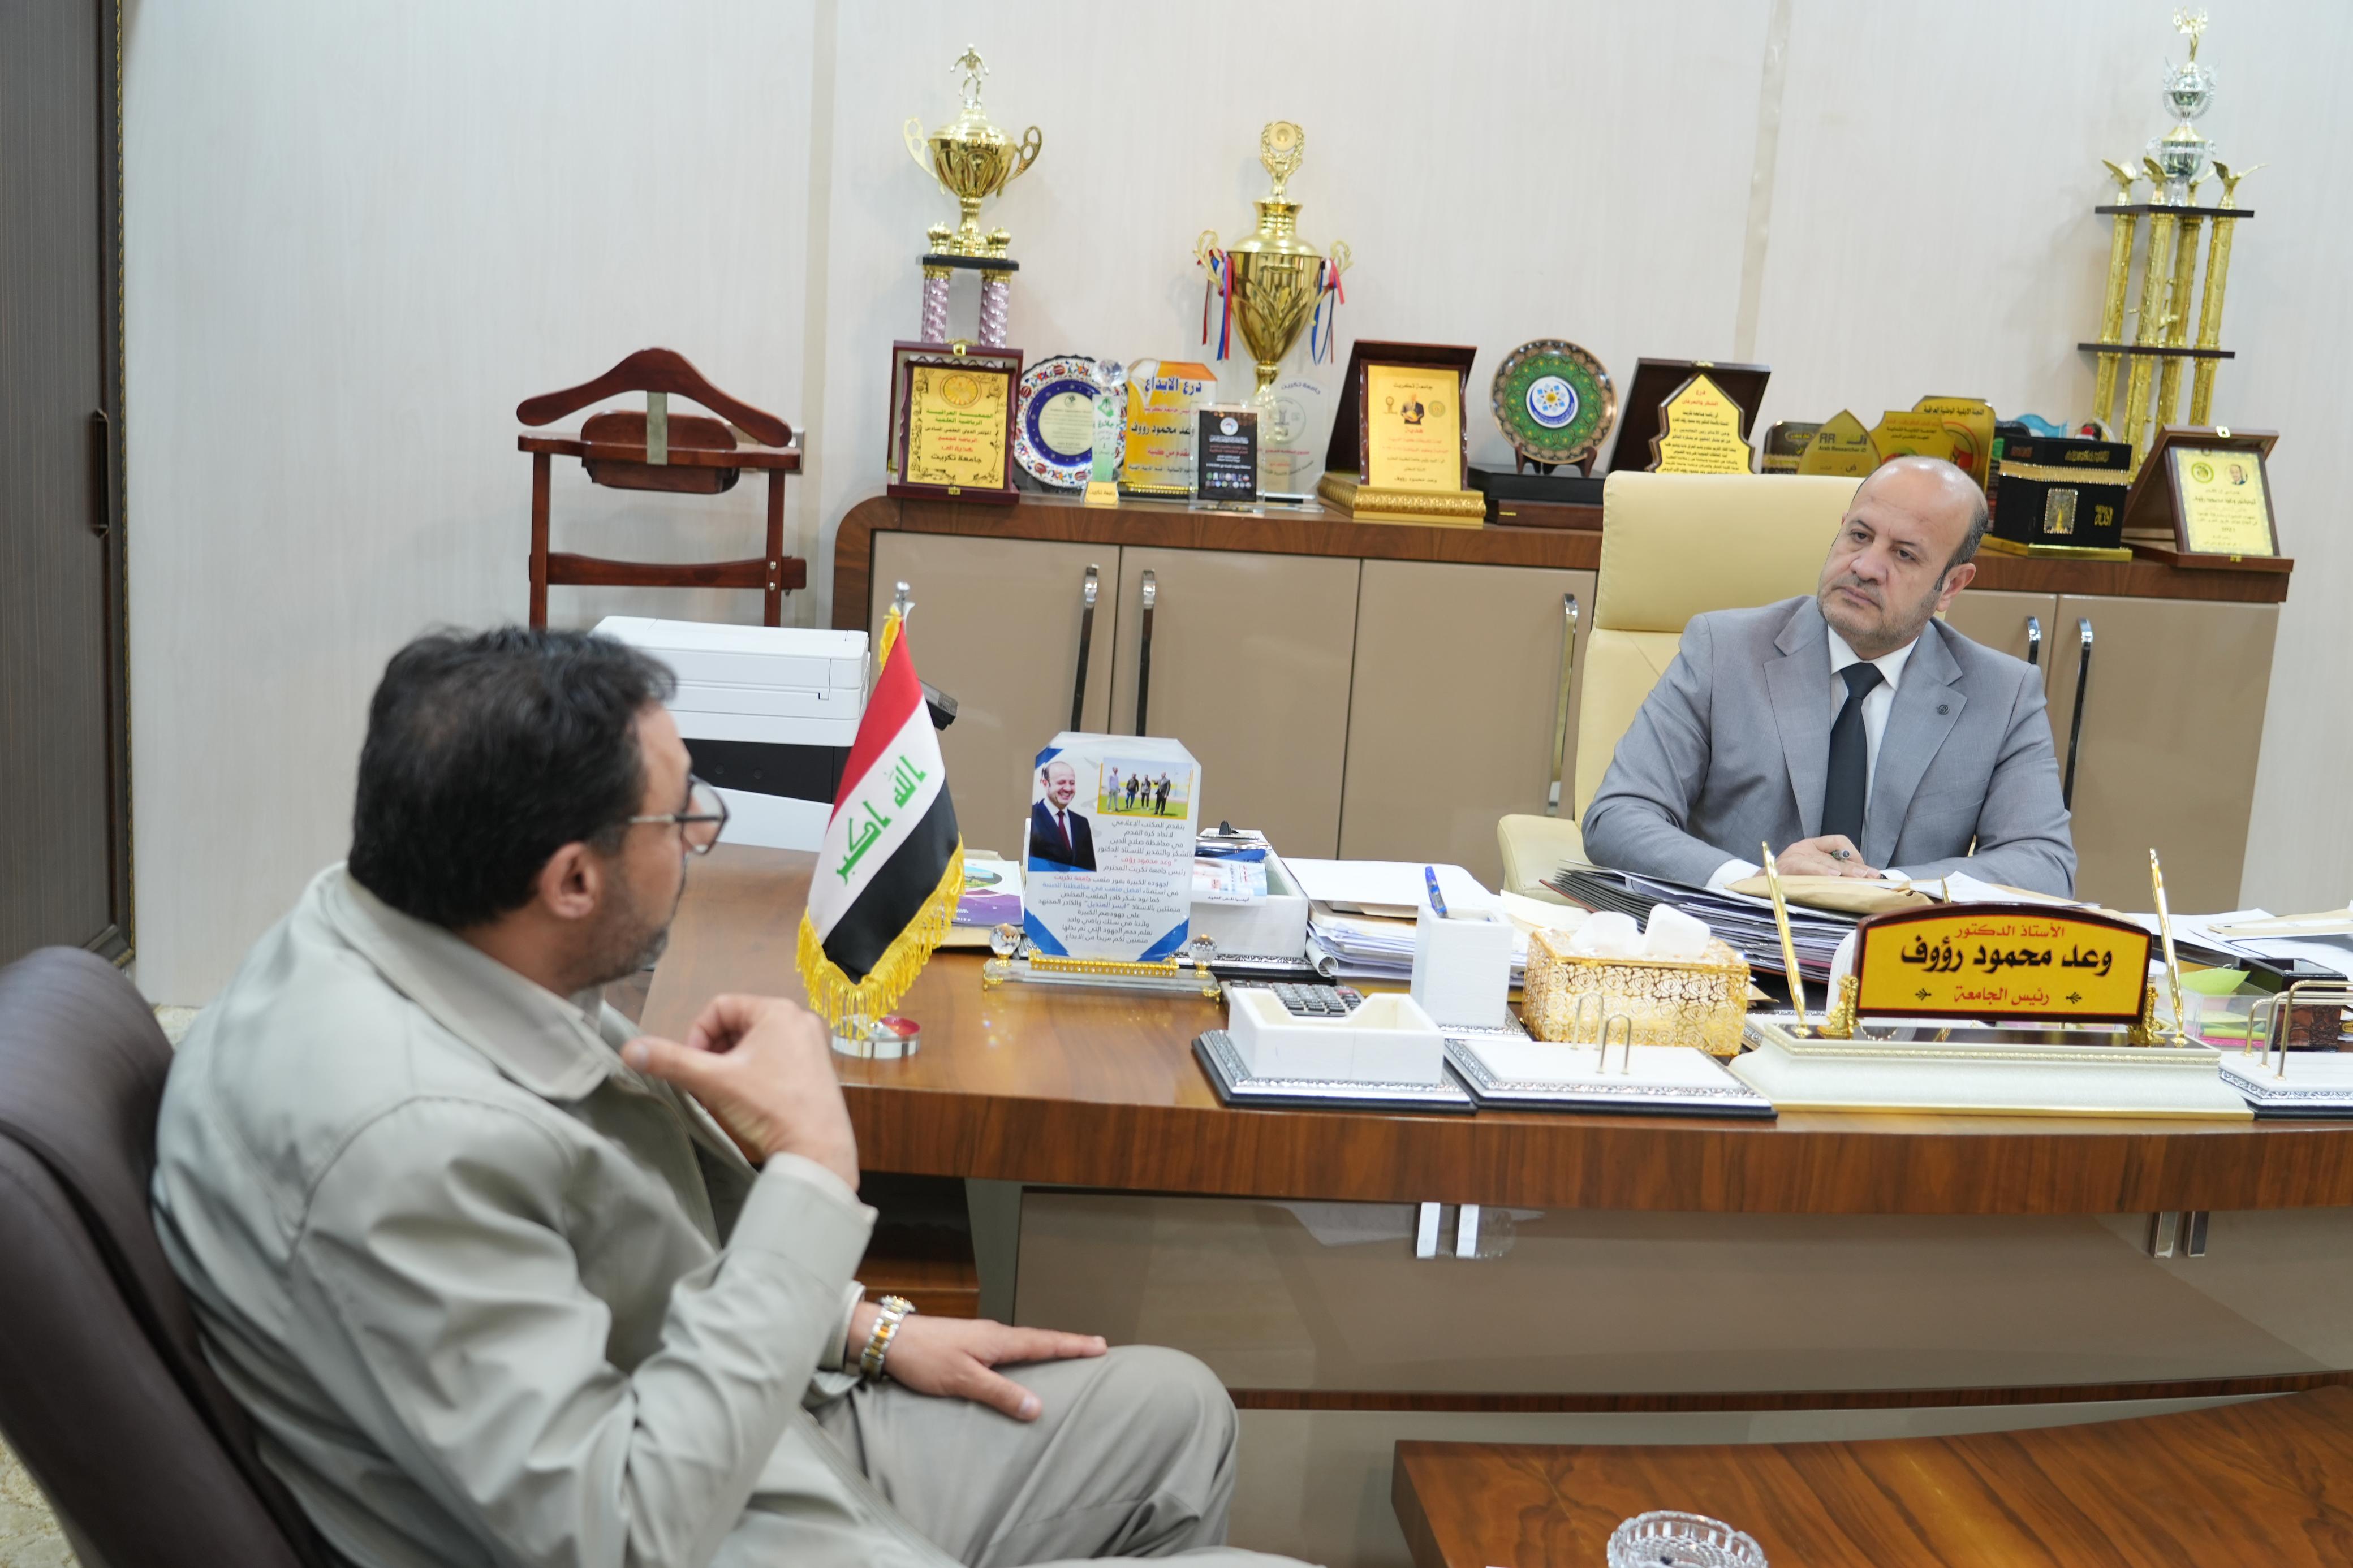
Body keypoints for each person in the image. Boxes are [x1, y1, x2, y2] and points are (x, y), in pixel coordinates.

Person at [151, 629, 1296, 1568]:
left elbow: (610, 1255)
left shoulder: (405, 921)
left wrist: (861, 1328)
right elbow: (624, 1533)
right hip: (696, 1514)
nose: (703, 832)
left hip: (736, 1439)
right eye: (681, 814)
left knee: (1176, 1410)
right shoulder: (398, 1146)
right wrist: (811, 1174)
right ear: (572, 878)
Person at [1581, 457, 2075, 896]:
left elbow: (2044, 864)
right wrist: (1759, 883)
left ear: (1951, 585)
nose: (1866, 566)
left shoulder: (2003, 694)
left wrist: (1884, 889)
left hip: (1893, 956)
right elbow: (1619, 815)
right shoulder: (1723, 650)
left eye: (1904, 554)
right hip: (1734, 944)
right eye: (1859, 536)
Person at [1029, 758, 1097, 871]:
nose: (1068, 788)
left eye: (1072, 783)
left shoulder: (1082, 823)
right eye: (1061, 782)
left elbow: (1090, 869)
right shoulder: (1033, 817)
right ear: (1045, 783)